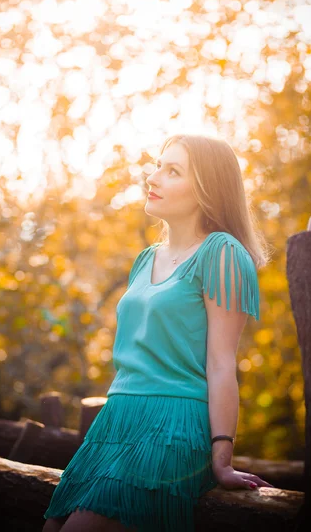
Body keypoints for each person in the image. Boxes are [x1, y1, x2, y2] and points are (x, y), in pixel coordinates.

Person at [42, 134, 274, 532]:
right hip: (115, 421)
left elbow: (221, 363)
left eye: (173, 171)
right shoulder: (145, 259)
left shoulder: (222, 253)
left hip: (172, 426)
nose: (154, 177)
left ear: (207, 191)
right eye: (157, 166)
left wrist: (222, 457)